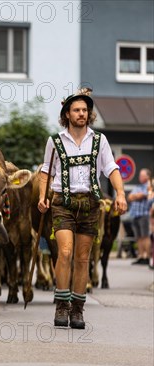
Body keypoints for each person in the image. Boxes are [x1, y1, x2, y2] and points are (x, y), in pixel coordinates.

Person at [38, 88, 127, 330]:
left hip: (90, 204)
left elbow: (111, 168)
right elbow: (46, 171)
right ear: (67, 114)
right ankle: (61, 303)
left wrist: (120, 193)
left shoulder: (99, 141)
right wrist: (42, 196)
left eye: (85, 110)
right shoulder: (54, 141)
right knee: (64, 252)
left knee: (82, 258)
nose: (82, 114)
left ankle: (77, 308)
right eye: (76, 110)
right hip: (63, 204)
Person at [127, 168, 152, 265]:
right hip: (135, 215)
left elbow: (143, 195)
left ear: (148, 176)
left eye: (142, 175)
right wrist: (137, 196)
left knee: (145, 236)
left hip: (144, 215)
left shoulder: (149, 186)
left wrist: (136, 196)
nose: (140, 177)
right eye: (140, 175)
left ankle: (147, 257)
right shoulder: (137, 186)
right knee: (138, 237)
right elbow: (129, 197)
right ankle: (141, 256)